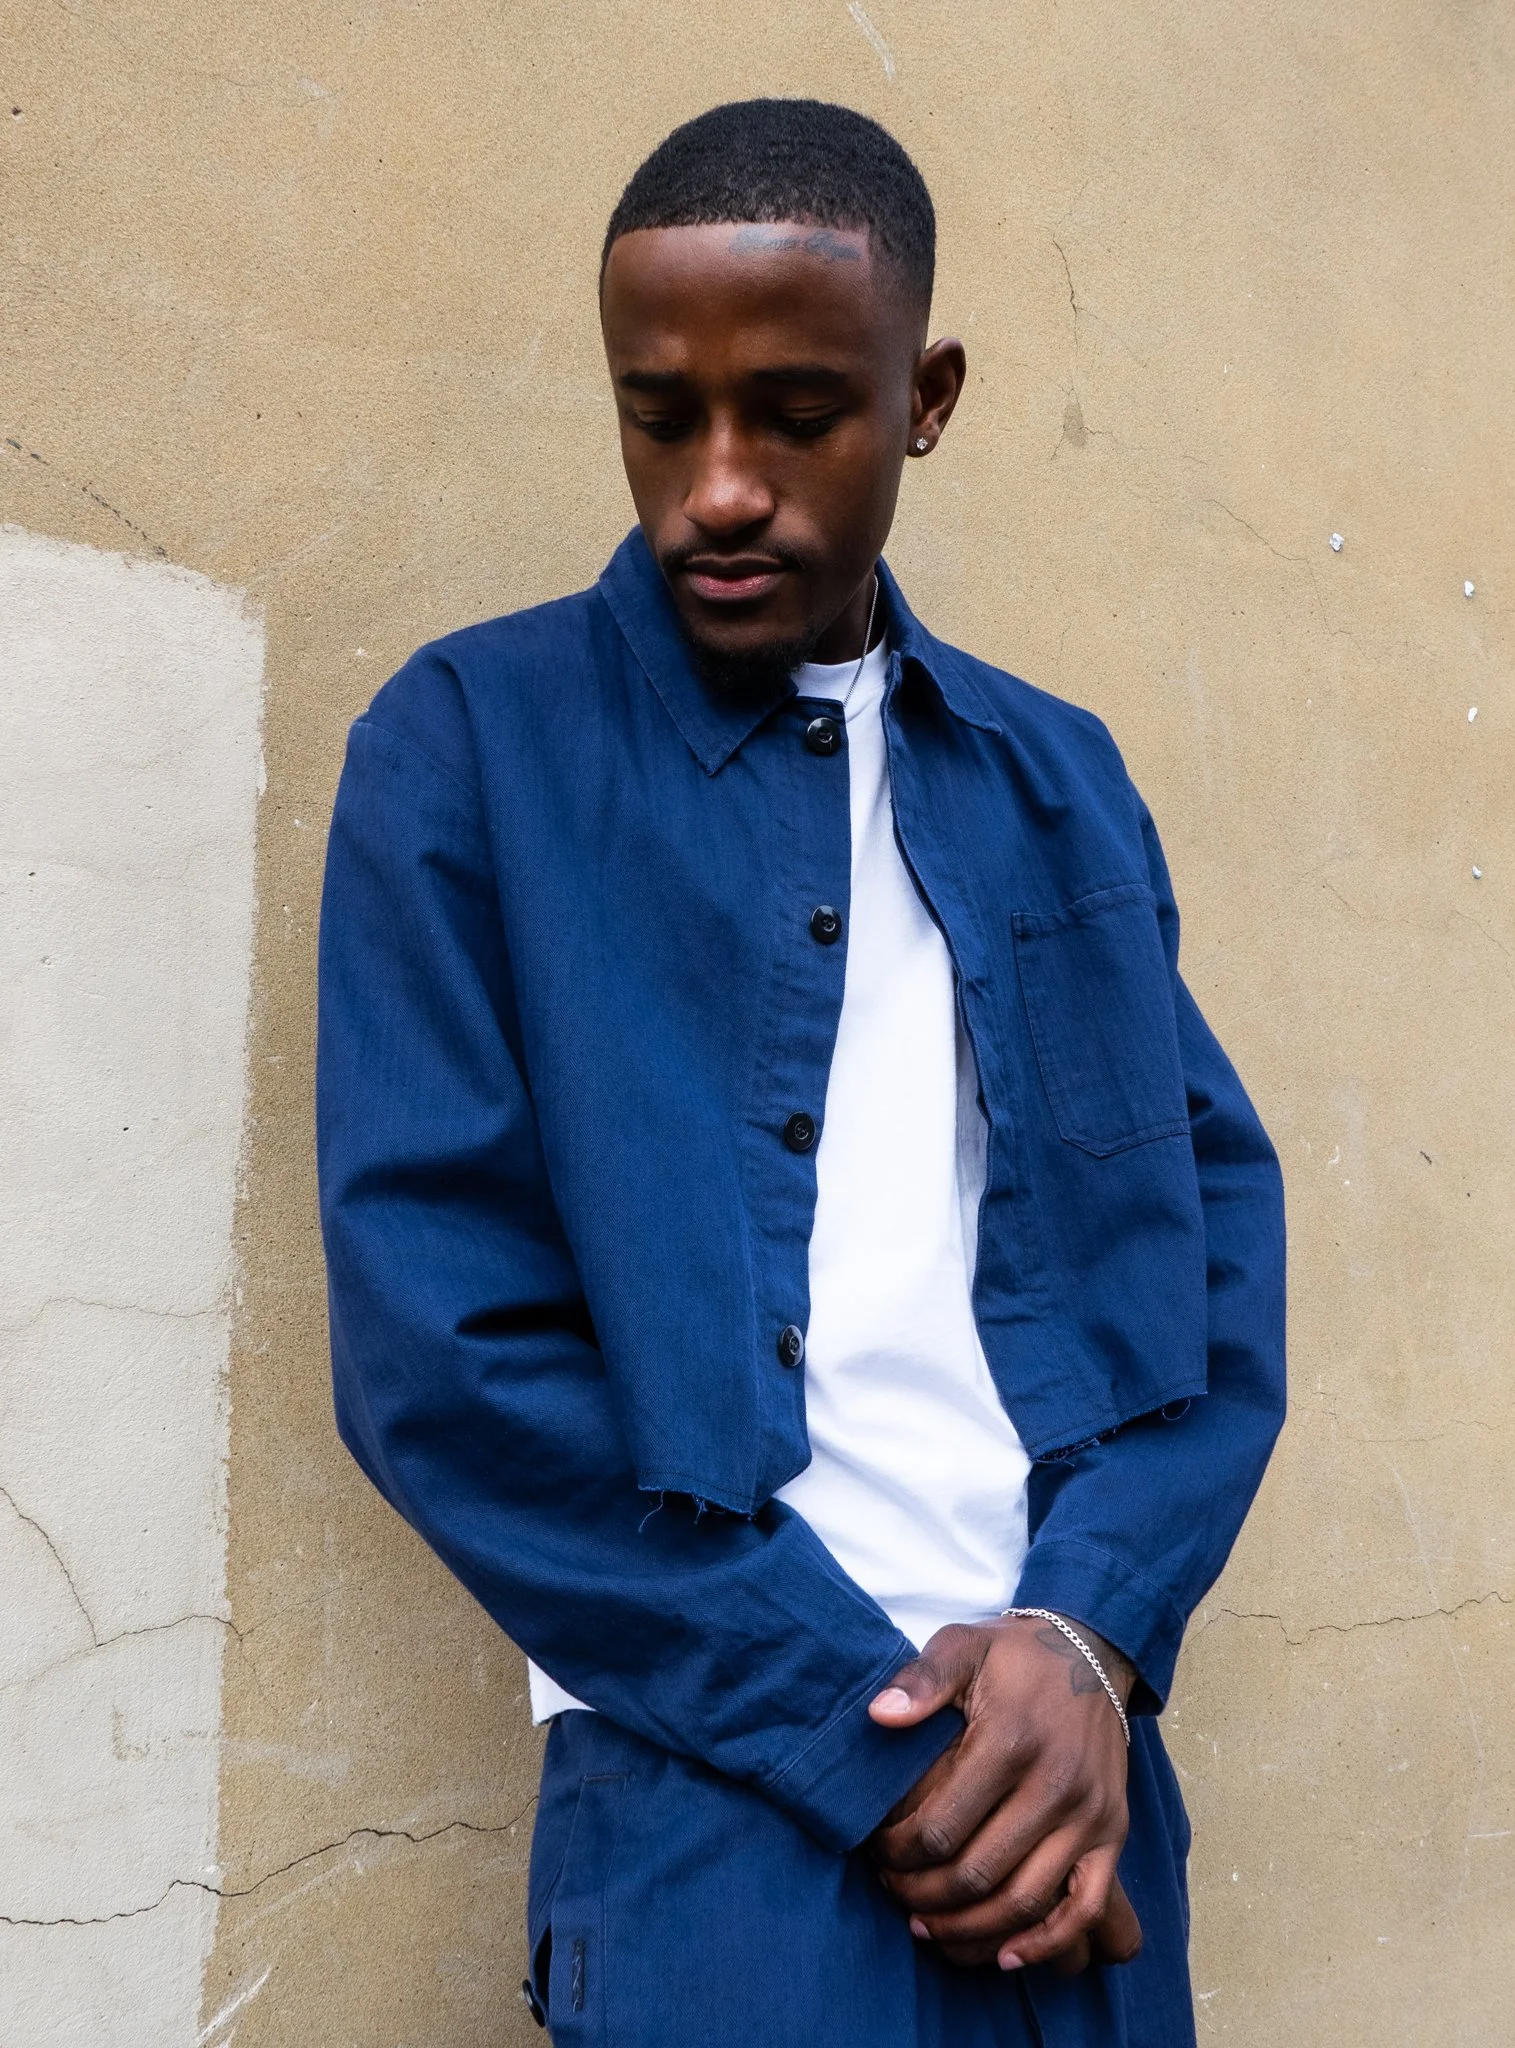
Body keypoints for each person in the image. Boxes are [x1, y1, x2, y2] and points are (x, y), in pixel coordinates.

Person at [317, 97, 1285, 2048]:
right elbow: (442, 1354)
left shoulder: (1058, 780)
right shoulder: (473, 745)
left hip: (1077, 1805)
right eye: (658, 417)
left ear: (923, 399)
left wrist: (1090, 1633)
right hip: (720, 1818)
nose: (718, 489)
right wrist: (870, 1742)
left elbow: (1207, 1244)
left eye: (796, 414)